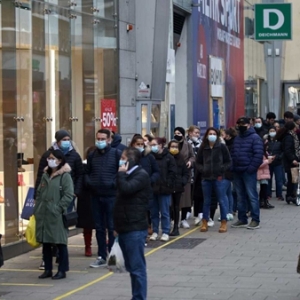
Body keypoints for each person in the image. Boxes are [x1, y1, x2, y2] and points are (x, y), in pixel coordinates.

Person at [34, 129, 83, 270]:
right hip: (45, 207)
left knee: (60, 232)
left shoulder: (72, 160)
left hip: (61, 203)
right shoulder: (46, 168)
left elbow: (79, 175)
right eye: (64, 139)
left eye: (68, 139)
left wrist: (75, 193)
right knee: (46, 235)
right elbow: (39, 183)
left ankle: (61, 263)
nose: (66, 142)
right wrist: (37, 203)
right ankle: (47, 262)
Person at [114, 147, 151, 300]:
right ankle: (136, 296)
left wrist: (121, 174)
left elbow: (127, 189)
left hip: (135, 227)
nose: (120, 161)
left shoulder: (140, 175)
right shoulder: (128, 174)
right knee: (131, 267)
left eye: (123, 158)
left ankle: (139, 297)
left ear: (130, 160)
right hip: (124, 226)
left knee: (137, 268)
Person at [34, 150, 74, 280]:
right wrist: (38, 207)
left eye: (52, 158)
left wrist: (58, 208)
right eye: (49, 158)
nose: (49, 160)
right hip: (44, 213)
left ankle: (62, 270)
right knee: (46, 242)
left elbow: (68, 195)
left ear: (60, 160)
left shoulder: (65, 176)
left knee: (60, 242)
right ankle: (48, 269)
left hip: (56, 214)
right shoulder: (45, 174)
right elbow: (39, 192)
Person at [86, 129, 122, 267]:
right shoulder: (92, 155)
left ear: (109, 140)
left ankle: (113, 257)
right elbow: (87, 172)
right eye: (98, 139)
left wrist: (113, 184)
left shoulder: (116, 154)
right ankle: (101, 255)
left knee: (112, 227)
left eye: (102, 139)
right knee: (99, 228)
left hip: (111, 196)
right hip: (96, 195)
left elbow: (121, 172)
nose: (99, 141)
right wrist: (90, 183)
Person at [196, 128, 231, 233]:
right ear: (206, 135)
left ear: (217, 135)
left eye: (214, 134)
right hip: (206, 178)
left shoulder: (221, 147)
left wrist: (221, 169)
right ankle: (205, 222)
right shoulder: (203, 148)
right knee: (206, 201)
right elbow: (198, 162)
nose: (212, 135)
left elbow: (228, 161)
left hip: (219, 177)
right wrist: (203, 170)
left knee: (222, 200)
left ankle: (223, 222)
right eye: (210, 134)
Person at [231, 117, 263, 230]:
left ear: (249, 125)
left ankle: (255, 220)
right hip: (237, 171)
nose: (241, 126)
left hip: (248, 171)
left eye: (243, 124)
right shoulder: (238, 138)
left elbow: (258, 155)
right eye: (239, 124)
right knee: (240, 197)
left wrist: (251, 169)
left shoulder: (255, 138)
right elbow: (234, 153)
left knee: (252, 196)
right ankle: (242, 219)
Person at [130, 135, 160, 235]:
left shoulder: (149, 157)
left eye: (141, 144)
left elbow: (156, 171)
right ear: (133, 144)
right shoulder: (129, 156)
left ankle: (146, 229)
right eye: (137, 144)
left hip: (146, 188)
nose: (140, 146)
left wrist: (150, 180)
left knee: (146, 210)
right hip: (133, 188)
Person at [149, 137, 177, 242]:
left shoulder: (169, 157)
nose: (153, 147)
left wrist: (168, 183)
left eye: (154, 144)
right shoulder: (150, 157)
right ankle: (155, 231)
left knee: (165, 212)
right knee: (154, 212)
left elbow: (173, 172)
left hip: (164, 188)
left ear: (161, 145)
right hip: (153, 188)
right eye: (151, 145)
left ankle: (165, 231)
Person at [173, 127, 195, 229]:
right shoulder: (172, 144)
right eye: (175, 133)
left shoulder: (188, 144)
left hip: (185, 173)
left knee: (186, 197)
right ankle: (174, 219)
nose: (177, 135)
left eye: (179, 133)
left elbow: (192, 156)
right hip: (174, 174)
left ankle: (183, 219)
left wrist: (190, 161)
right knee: (174, 199)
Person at [76, 146, 96, 257]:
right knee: (87, 224)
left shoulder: (101, 165)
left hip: (98, 195)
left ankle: (103, 245)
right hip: (86, 198)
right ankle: (87, 246)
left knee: (101, 224)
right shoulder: (83, 166)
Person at [168, 140, 189, 236]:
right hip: (167, 186)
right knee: (168, 207)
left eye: (176, 147)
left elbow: (186, 173)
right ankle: (167, 225)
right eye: (172, 146)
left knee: (176, 207)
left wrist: (182, 182)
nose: (174, 148)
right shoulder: (166, 158)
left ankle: (176, 227)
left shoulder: (180, 159)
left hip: (177, 186)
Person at [276, 122, 300, 203]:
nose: (296, 128)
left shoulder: (290, 136)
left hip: (292, 161)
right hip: (292, 162)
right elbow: (288, 150)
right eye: (295, 127)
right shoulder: (289, 137)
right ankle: (291, 195)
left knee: (292, 179)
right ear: (292, 128)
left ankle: (290, 195)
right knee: (293, 179)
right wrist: (293, 159)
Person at [186, 125, 203, 225]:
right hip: (189, 171)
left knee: (197, 193)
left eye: (198, 133)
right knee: (188, 193)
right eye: (195, 132)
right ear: (190, 133)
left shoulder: (201, 143)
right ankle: (187, 210)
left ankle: (198, 213)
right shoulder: (186, 143)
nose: (197, 134)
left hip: (198, 172)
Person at [265, 126, 284, 201]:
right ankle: (268, 194)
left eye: (273, 130)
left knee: (279, 179)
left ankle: (279, 194)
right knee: (268, 179)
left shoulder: (279, 141)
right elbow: (264, 150)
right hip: (269, 162)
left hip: (278, 162)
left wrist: (278, 157)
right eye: (271, 131)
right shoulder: (266, 141)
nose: (272, 132)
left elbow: (283, 151)